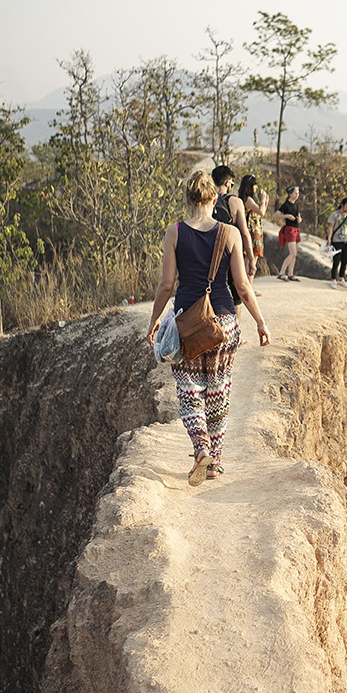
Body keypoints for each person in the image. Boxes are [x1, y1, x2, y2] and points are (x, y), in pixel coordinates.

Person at [146, 169, 269, 485]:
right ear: (216, 199)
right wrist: (260, 322)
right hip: (225, 323)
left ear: (187, 199)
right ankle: (215, 462)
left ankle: (201, 448)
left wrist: (155, 319)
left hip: (188, 322)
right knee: (218, 391)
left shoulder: (174, 232)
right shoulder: (230, 233)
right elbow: (242, 285)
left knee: (190, 391)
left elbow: (165, 286)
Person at [211, 165, 256, 279]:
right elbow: (245, 233)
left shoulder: (206, 200)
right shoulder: (235, 202)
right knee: (233, 291)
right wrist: (251, 258)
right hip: (230, 254)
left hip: (208, 253)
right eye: (231, 183)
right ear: (227, 183)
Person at [238, 174, 270, 277]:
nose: (256, 187)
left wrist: (265, 201)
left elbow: (262, 211)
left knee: (249, 263)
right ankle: (248, 289)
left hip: (254, 232)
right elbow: (261, 212)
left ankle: (248, 288)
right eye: (254, 185)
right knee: (249, 264)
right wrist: (263, 200)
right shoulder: (248, 200)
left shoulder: (247, 199)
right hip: (251, 233)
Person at [326, 197, 347, 288]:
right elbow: (330, 227)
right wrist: (329, 239)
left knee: (345, 261)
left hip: (346, 240)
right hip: (336, 240)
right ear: (342, 205)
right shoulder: (334, 214)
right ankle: (333, 279)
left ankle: (341, 278)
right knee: (336, 260)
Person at [274, 185, 302, 281]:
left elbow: (299, 215)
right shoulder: (286, 205)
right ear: (290, 194)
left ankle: (291, 273)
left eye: (298, 193)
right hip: (289, 230)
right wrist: (287, 216)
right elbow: (275, 215)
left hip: (297, 229)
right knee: (292, 253)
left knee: (295, 254)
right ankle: (281, 272)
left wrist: (299, 219)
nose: (297, 195)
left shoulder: (296, 205)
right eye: (295, 193)